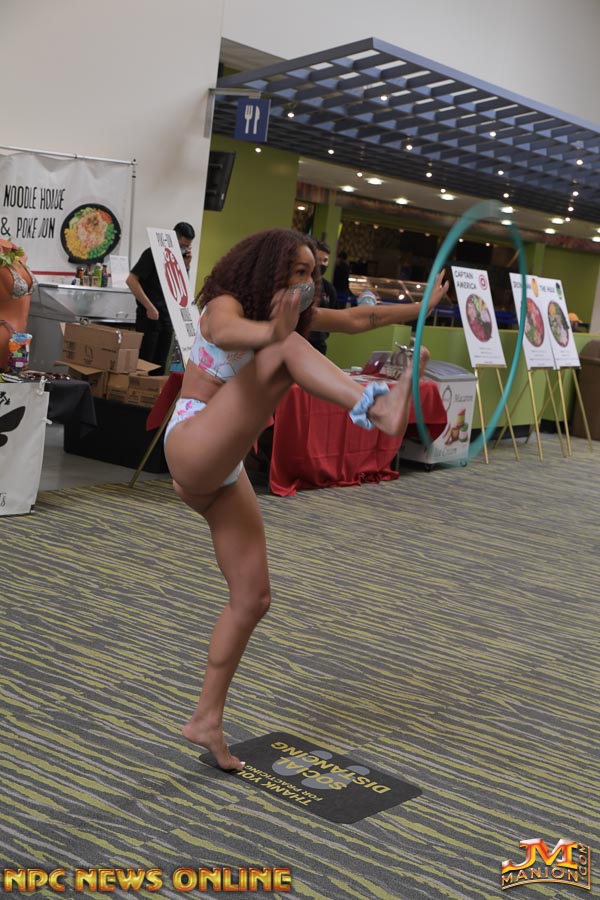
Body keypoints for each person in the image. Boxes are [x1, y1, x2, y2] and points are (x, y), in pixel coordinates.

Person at [164, 228, 448, 772]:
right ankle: (377, 408)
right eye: (297, 272)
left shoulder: (291, 319)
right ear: (267, 271)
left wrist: (421, 307)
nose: (307, 282)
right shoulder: (228, 304)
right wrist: (274, 330)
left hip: (222, 472)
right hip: (192, 443)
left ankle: (206, 719)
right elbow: (224, 331)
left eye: (313, 274)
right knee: (287, 347)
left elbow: (362, 318)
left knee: (253, 599)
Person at [126, 222, 195, 375]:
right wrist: (149, 307)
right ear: (173, 239)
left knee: (160, 365)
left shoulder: (179, 259)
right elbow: (131, 280)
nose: (184, 249)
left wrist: (186, 266)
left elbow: (182, 289)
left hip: (167, 316)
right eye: (182, 245)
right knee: (145, 364)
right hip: (149, 316)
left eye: (187, 247)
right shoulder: (152, 254)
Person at [307, 240, 342, 355]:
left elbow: (335, 316)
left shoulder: (328, 288)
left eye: (325, 260)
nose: (321, 264)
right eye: (318, 260)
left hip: (319, 345)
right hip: (297, 342)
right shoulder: (297, 284)